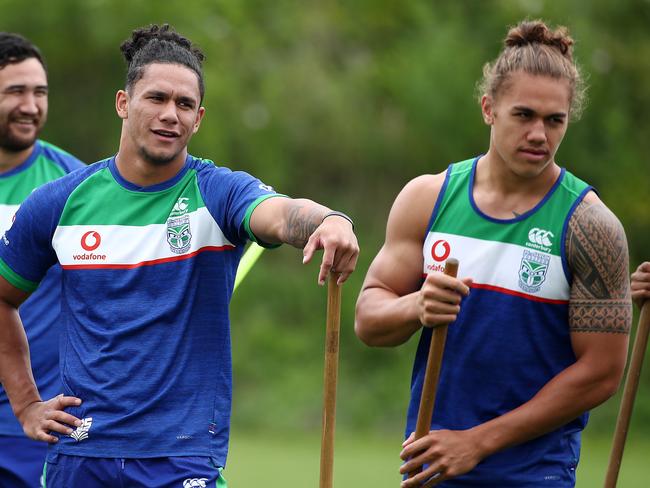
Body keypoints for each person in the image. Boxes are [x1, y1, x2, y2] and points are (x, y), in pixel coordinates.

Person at [0, 24, 358, 487]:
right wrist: (27, 404)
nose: (171, 114)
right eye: (157, 98)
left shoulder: (218, 192)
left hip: (181, 460)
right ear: (123, 104)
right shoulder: (60, 201)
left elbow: (282, 213)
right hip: (80, 455)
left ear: (199, 118)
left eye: (184, 104)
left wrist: (331, 220)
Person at [355, 20, 631, 487]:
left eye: (554, 120)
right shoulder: (428, 198)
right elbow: (368, 320)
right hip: (432, 467)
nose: (539, 134)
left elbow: (601, 373)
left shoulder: (591, 227)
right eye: (524, 115)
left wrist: (477, 442)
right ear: (489, 109)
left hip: (534, 474)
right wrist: (416, 305)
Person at [0, 32, 84, 487]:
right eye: (15, 91)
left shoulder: (72, 187)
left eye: (39, 92)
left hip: (34, 424)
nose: (31, 105)